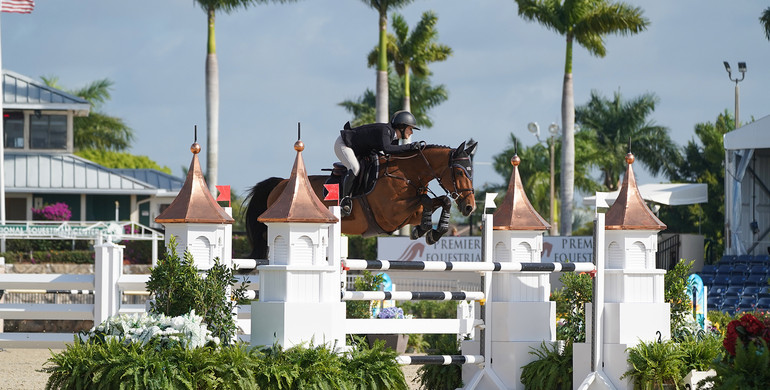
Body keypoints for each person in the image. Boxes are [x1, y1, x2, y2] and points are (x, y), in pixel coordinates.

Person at [334, 110, 423, 216]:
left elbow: (392, 155)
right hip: (344, 144)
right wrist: (410, 146)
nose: (411, 132)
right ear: (402, 126)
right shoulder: (385, 130)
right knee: (354, 168)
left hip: (358, 149)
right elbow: (387, 149)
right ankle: (344, 202)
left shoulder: (393, 137)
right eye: (410, 128)